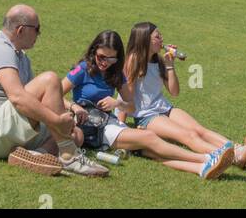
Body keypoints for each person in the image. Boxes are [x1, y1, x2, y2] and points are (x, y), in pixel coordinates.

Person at [62, 31, 235, 179]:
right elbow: (55, 95)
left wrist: (117, 103)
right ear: (94, 51)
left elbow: (131, 107)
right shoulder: (83, 69)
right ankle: (206, 158)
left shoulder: (116, 74)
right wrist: (74, 107)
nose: (104, 62)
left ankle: (200, 169)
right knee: (150, 138)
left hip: (109, 123)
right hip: (94, 127)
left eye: (111, 58)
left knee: (149, 151)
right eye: (101, 57)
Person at [0, 5, 108, 178]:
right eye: (37, 29)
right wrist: (56, 120)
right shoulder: (0, 50)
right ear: (21, 30)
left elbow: (37, 96)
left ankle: (36, 155)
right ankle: (70, 157)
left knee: (76, 133)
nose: (39, 34)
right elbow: (18, 97)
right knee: (50, 79)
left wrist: (72, 107)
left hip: (6, 131)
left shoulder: (21, 57)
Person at [121, 22, 246, 175]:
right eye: (157, 36)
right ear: (145, 40)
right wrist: (121, 126)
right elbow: (124, 95)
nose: (162, 39)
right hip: (147, 116)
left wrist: (170, 65)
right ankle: (233, 157)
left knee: (200, 130)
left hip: (165, 108)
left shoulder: (159, 60)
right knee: (188, 135)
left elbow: (174, 92)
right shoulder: (133, 60)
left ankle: (239, 149)